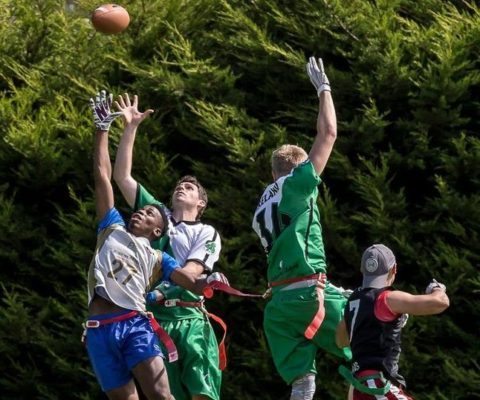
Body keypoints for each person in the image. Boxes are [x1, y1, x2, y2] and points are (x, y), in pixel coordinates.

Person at [85, 90, 224, 400]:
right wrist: (121, 126)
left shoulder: (200, 233)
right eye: (178, 185)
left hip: (182, 317)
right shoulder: (119, 225)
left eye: (188, 188)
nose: (141, 211)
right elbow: (114, 176)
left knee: (190, 393)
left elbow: (190, 277)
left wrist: (209, 282)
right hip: (142, 319)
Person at [251, 57, 352, 400]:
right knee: (369, 351)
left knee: (302, 383)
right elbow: (329, 134)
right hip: (308, 295)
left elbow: (291, 248)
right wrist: (324, 89)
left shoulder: (263, 203)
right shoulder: (298, 185)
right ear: (298, 168)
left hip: (279, 306)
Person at [335, 244, 450, 400]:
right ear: (394, 269)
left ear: (362, 270)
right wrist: (438, 289)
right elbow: (440, 303)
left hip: (360, 388)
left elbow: (341, 341)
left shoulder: (352, 301)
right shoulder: (387, 298)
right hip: (377, 386)